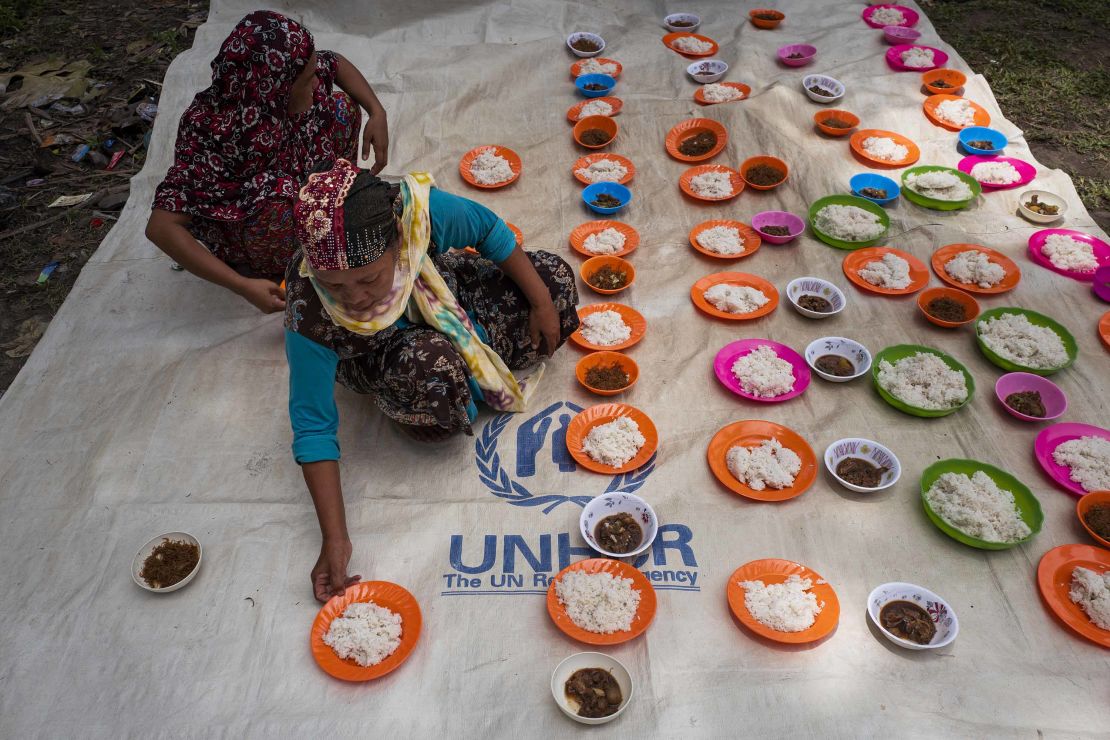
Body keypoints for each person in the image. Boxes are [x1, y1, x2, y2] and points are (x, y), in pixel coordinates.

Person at [285, 159, 579, 602]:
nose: (357, 297)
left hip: (447, 295)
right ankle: (428, 392)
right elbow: (312, 426)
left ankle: (471, 358)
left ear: (400, 240)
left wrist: (539, 302)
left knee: (552, 280)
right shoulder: (309, 305)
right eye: (337, 287)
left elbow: (489, 230)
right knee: (431, 369)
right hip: (379, 351)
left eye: (369, 279)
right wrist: (335, 540)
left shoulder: (418, 213)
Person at [145, 10, 389, 314]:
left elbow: (335, 63)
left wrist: (377, 112)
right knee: (277, 204)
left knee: (340, 106)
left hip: (298, 168)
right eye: (306, 81)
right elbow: (161, 227)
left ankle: (332, 201)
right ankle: (304, 251)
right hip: (256, 218)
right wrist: (241, 285)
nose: (317, 83)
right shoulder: (214, 130)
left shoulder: (286, 75)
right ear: (275, 91)